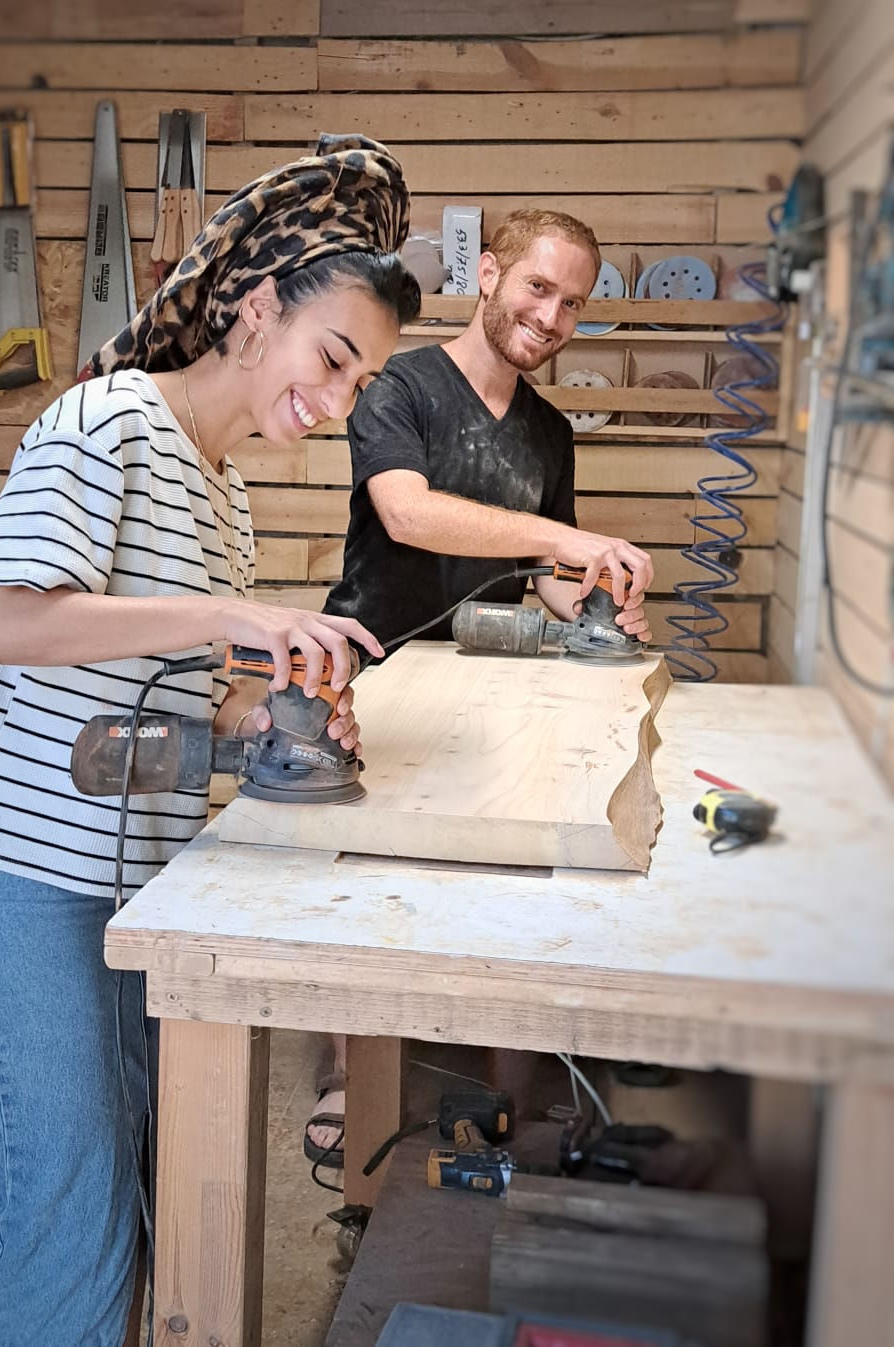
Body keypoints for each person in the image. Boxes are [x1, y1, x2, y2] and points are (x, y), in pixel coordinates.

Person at [0, 136, 420, 1347]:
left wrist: (274, 709)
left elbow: (177, 691)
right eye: (332, 358)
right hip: (15, 877)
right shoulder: (110, 423)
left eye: (361, 383)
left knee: (123, 1182)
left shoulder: (223, 490)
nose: (338, 401)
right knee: (68, 1209)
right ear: (258, 308)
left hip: (130, 880)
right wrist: (233, 617)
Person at [307, 209, 654, 1158]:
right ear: (491, 275)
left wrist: (600, 597)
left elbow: (546, 576)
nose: (551, 316)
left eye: (573, 303)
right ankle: (349, 1074)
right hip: (377, 663)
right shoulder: (401, 386)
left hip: (493, 674)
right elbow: (408, 514)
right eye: (539, 287)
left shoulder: (549, 431)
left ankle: (514, 1086)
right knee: (363, 879)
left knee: (512, 876)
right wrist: (565, 538)